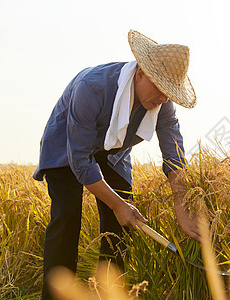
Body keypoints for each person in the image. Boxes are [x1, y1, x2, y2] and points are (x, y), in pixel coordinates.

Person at [33, 29, 200, 300]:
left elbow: (174, 153)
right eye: (160, 88)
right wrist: (118, 204)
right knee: (66, 218)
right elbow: (81, 162)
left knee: (120, 229)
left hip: (113, 154)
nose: (164, 99)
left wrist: (182, 204)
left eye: (169, 93)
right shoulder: (92, 87)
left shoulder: (162, 103)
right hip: (68, 148)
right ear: (141, 72)